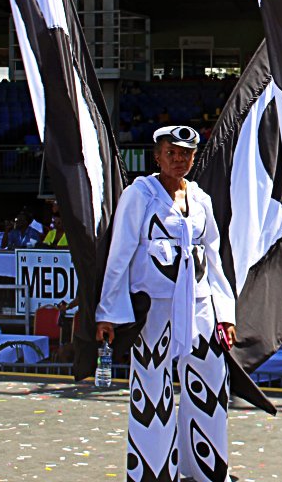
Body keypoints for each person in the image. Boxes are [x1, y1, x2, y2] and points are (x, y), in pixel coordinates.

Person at [95, 125, 237, 482]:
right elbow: (120, 255)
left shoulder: (201, 198)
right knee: (152, 386)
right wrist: (109, 311)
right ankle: (153, 472)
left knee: (210, 383)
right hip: (154, 308)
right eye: (171, 153)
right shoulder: (139, 195)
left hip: (200, 305)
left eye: (186, 154)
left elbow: (215, 258)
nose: (179, 160)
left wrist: (226, 312)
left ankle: (205, 469)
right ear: (157, 156)